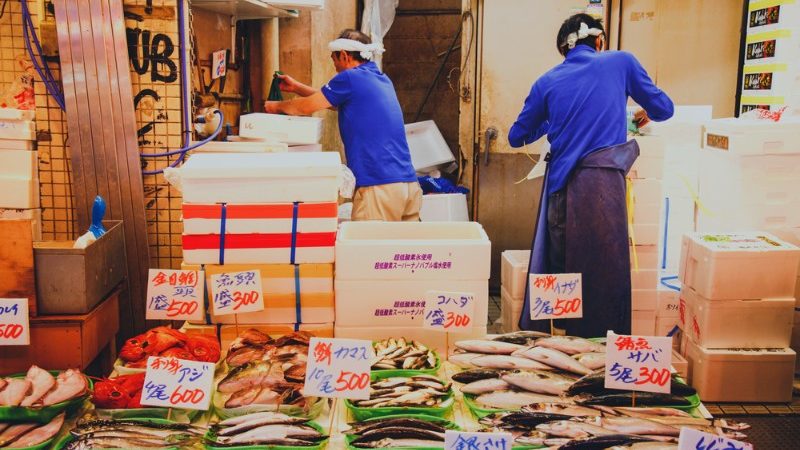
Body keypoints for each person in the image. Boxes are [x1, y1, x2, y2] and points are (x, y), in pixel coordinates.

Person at [508, 13, 674, 337]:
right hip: (603, 191)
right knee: (605, 278)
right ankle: (600, 359)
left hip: (561, 193)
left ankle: (560, 353)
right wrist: (643, 113)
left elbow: (517, 136)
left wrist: (553, 119)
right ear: (599, 41)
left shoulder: (547, 81)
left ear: (564, 49)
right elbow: (665, 108)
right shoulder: (621, 62)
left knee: (562, 274)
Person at [264, 29, 421, 222]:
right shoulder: (380, 79)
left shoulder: (349, 78)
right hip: (407, 186)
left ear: (345, 56)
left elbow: (305, 108)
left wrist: (275, 106)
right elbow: (336, 101)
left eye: (334, 60)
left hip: (378, 186)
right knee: (398, 251)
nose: (335, 67)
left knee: (366, 251)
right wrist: (296, 87)